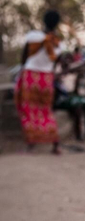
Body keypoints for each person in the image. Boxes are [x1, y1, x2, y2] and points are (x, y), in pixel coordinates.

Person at [15, 10, 63, 154]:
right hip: (46, 79)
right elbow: (55, 64)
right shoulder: (58, 44)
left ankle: (31, 142)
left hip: (30, 77)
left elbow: (24, 57)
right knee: (46, 111)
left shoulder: (33, 37)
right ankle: (55, 143)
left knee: (29, 110)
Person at [54, 54, 85, 142]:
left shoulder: (72, 71)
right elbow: (56, 81)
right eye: (65, 59)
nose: (67, 61)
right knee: (77, 107)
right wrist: (67, 72)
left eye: (69, 60)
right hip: (60, 99)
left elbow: (75, 88)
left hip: (71, 96)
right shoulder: (56, 70)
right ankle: (78, 135)